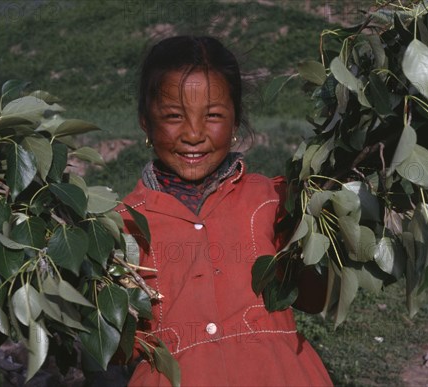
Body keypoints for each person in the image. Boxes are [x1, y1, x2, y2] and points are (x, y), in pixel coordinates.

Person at [114, 35, 333, 386]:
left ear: (235, 121)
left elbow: (312, 298)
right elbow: (118, 351)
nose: (194, 133)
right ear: (145, 121)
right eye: (173, 116)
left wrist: (316, 221)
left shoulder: (276, 199)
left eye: (213, 115)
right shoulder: (122, 224)